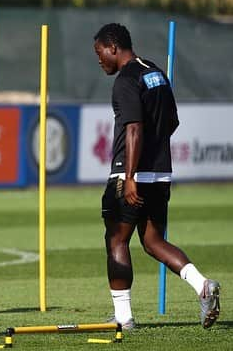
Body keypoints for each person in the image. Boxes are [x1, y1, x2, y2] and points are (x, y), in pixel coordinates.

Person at [93, 23, 220, 330]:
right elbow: (172, 121)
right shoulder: (156, 72)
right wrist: (153, 153)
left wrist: (131, 175)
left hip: (130, 173)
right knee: (152, 241)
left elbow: (133, 128)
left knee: (116, 240)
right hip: (161, 174)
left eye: (99, 53)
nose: (99, 60)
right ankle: (203, 285)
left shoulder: (126, 80)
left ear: (113, 47)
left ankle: (123, 318)